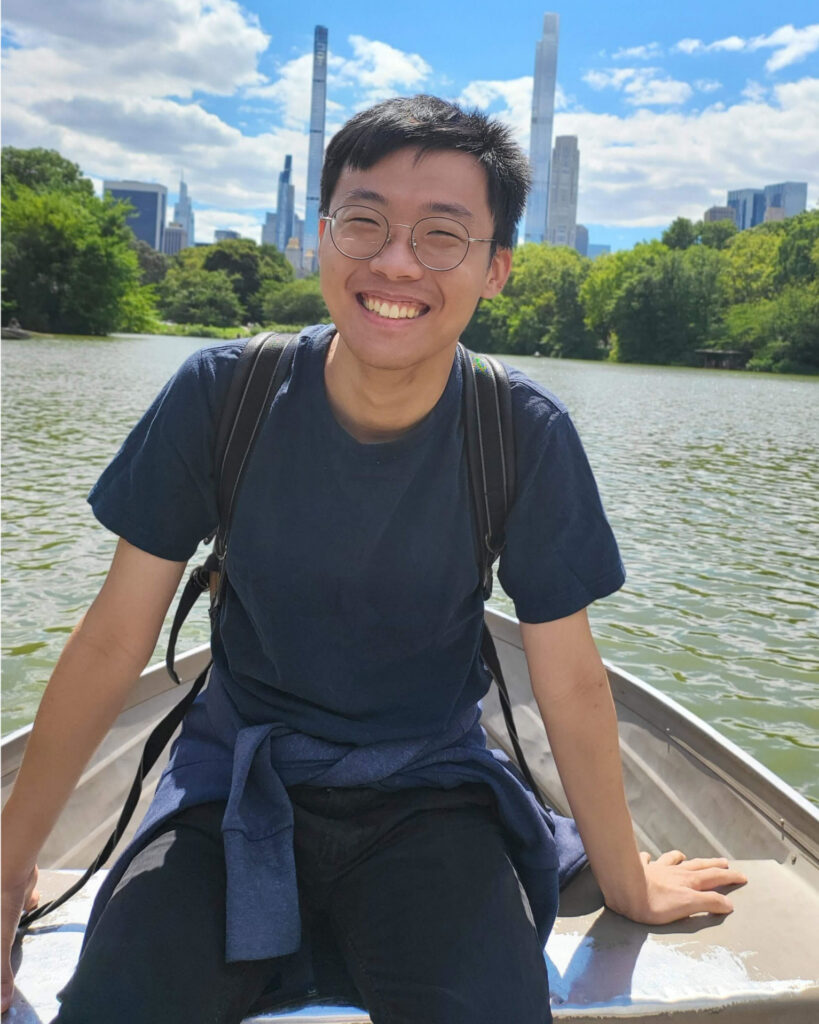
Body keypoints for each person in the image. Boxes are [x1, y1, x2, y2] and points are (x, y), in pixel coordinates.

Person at [1, 95, 747, 1024]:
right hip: (230, 789)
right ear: (321, 239)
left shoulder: (520, 432)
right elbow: (116, 641)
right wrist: (5, 872)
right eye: (365, 222)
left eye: (442, 236)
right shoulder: (219, 394)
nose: (395, 261)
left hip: (429, 796)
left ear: (495, 270)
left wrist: (626, 876)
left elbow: (570, 684)